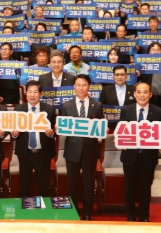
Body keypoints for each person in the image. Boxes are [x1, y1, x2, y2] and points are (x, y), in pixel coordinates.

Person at [59, 74, 103, 220]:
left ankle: (87, 212)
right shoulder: (67, 105)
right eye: (78, 85)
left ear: (89, 86)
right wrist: (59, 127)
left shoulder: (97, 105)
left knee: (89, 183)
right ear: (74, 87)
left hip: (90, 150)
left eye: (84, 85)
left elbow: (100, 126)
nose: (81, 88)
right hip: (72, 149)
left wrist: (103, 130)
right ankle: (73, 211)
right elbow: (64, 128)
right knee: (72, 183)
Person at [119, 81, 161, 222]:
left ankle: (144, 215)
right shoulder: (126, 110)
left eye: (145, 92)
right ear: (134, 94)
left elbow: (159, 134)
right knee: (129, 188)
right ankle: (131, 215)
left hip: (148, 157)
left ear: (150, 94)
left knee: (146, 188)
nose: (142, 95)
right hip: (130, 156)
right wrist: (120, 141)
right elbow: (121, 130)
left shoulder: (158, 111)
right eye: (139, 92)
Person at [12, 81, 56, 197]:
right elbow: (13, 133)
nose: (32, 95)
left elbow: (54, 133)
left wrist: (51, 134)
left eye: (35, 92)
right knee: (24, 184)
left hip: (43, 153)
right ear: (25, 93)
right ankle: (23, 208)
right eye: (30, 92)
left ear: (40, 94)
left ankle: (44, 208)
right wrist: (14, 134)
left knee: (44, 184)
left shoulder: (49, 109)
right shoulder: (18, 110)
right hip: (25, 152)